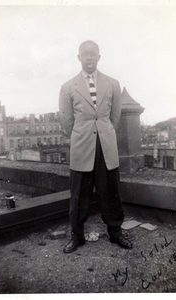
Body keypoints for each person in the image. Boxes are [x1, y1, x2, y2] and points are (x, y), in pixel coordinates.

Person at [59, 40, 133, 253]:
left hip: (106, 146)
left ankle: (116, 233)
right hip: (82, 146)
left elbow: (115, 117)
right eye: (85, 54)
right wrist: (83, 134)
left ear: (99, 57)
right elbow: (67, 121)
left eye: (93, 54)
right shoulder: (67, 87)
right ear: (79, 57)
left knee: (111, 191)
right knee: (79, 193)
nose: (89, 57)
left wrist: (103, 132)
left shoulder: (112, 84)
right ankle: (77, 236)